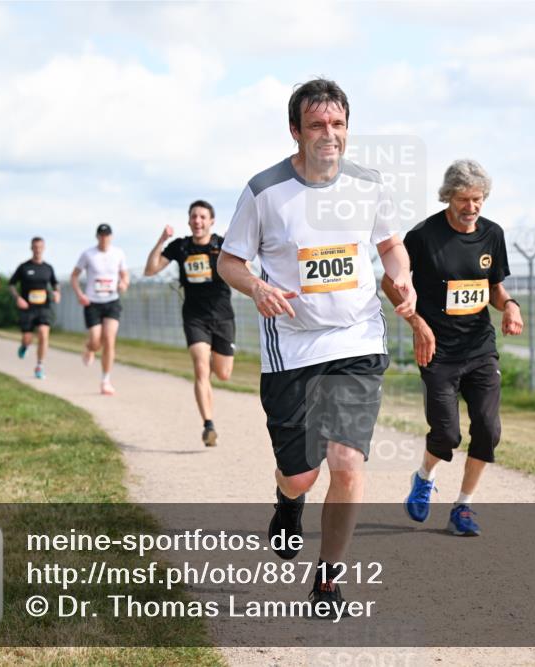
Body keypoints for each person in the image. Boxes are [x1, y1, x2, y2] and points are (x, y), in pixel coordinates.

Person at [218, 78, 416, 611]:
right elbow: (229, 261)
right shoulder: (264, 191)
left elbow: (391, 246)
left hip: (357, 337)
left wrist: (404, 279)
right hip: (294, 346)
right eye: (316, 125)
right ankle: (288, 505)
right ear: (295, 132)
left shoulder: (369, 184)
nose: (329, 135)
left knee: (348, 463)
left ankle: (327, 579)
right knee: (301, 473)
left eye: (337, 124)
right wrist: (258, 287)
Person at [382, 159, 524, 537]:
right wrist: (417, 323)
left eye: (478, 199)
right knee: (446, 434)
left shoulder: (492, 235)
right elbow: (391, 282)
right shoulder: (424, 236)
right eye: (464, 199)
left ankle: (463, 506)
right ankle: (424, 477)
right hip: (437, 350)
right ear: (449, 197)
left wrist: (510, 306)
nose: (472, 207)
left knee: (488, 429)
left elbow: (493, 288)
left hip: (479, 348)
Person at [144, 200, 235, 446]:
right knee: (201, 368)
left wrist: (235, 248)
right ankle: (208, 425)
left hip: (223, 316)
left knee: (224, 374)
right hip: (195, 317)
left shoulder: (221, 244)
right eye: (194, 216)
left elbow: (243, 269)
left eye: (202, 217)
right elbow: (150, 270)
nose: (198, 221)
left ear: (211, 221)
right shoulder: (180, 247)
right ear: (188, 220)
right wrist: (161, 240)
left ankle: (214, 368)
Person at [71, 224, 128, 395]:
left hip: (112, 301)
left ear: (111, 237)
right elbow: (74, 276)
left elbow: (125, 275)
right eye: (101, 235)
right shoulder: (88, 254)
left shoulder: (118, 253)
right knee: (96, 341)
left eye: (107, 235)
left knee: (109, 339)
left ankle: (105, 381)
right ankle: (90, 348)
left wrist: (124, 283)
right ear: (97, 237)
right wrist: (80, 294)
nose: (104, 238)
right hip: (92, 302)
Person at [10, 237, 60, 379]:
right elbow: (11, 284)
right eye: (35, 247)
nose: (38, 250)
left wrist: (57, 293)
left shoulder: (48, 268)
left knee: (44, 334)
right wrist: (18, 298)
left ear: (44, 248)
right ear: (31, 248)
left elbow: (55, 284)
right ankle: (24, 346)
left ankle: (40, 365)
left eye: (40, 247)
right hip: (27, 308)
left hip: (44, 307)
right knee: (27, 338)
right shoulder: (24, 267)